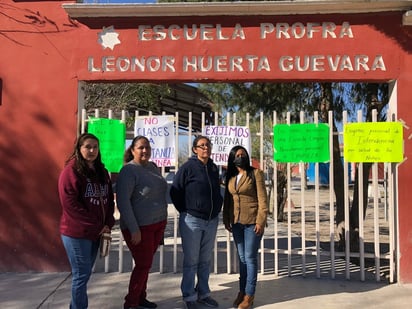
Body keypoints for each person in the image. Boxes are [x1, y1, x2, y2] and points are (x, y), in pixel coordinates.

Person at [58, 133, 115, 309]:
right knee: (81, 275)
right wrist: (97, 225)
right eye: (87, 147)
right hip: (77, 233)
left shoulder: (102, 171)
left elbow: (108, 199)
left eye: (95, 147)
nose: (91, 151)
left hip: (96, 232)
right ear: (79, 149)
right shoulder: (71, 172)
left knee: (85, 274)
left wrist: (108, 223)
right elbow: (70, 205)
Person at [170, 135, 223, 309]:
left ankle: (204, 293)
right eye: (201, 145)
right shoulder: (188, 168)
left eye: (207, 145)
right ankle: (189, 296)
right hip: (192, 221)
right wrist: (186, 210)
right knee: (191, 261)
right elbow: (175, 191)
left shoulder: (214, 168)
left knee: (205, 260)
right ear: (194, 149)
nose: (205, 148)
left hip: (211, 221)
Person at [116, 135, 168, 309]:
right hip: (139, 227)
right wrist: (134, 229)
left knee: (146, 265)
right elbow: (123, 202)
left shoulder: (153, 167)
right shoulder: (128, 171)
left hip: (157, 224)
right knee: (143, 264)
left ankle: (140, 297)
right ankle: (131, 302)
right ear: (132, 150)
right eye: (140, 148)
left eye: (147, 147)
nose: (145, 150)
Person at [223, 145, 268, 309]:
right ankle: (241, 291)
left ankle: (249, 294)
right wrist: (226, 219)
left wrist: (260, 221)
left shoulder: (256, 174)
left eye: (243, 154)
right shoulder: (231, 176)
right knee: (242, 259)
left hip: (252, 222)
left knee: (249, 258)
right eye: (237, 155)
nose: (240, 157)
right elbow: (228, 200)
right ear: (233, 158)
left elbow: (263, 200)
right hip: (236, 223)